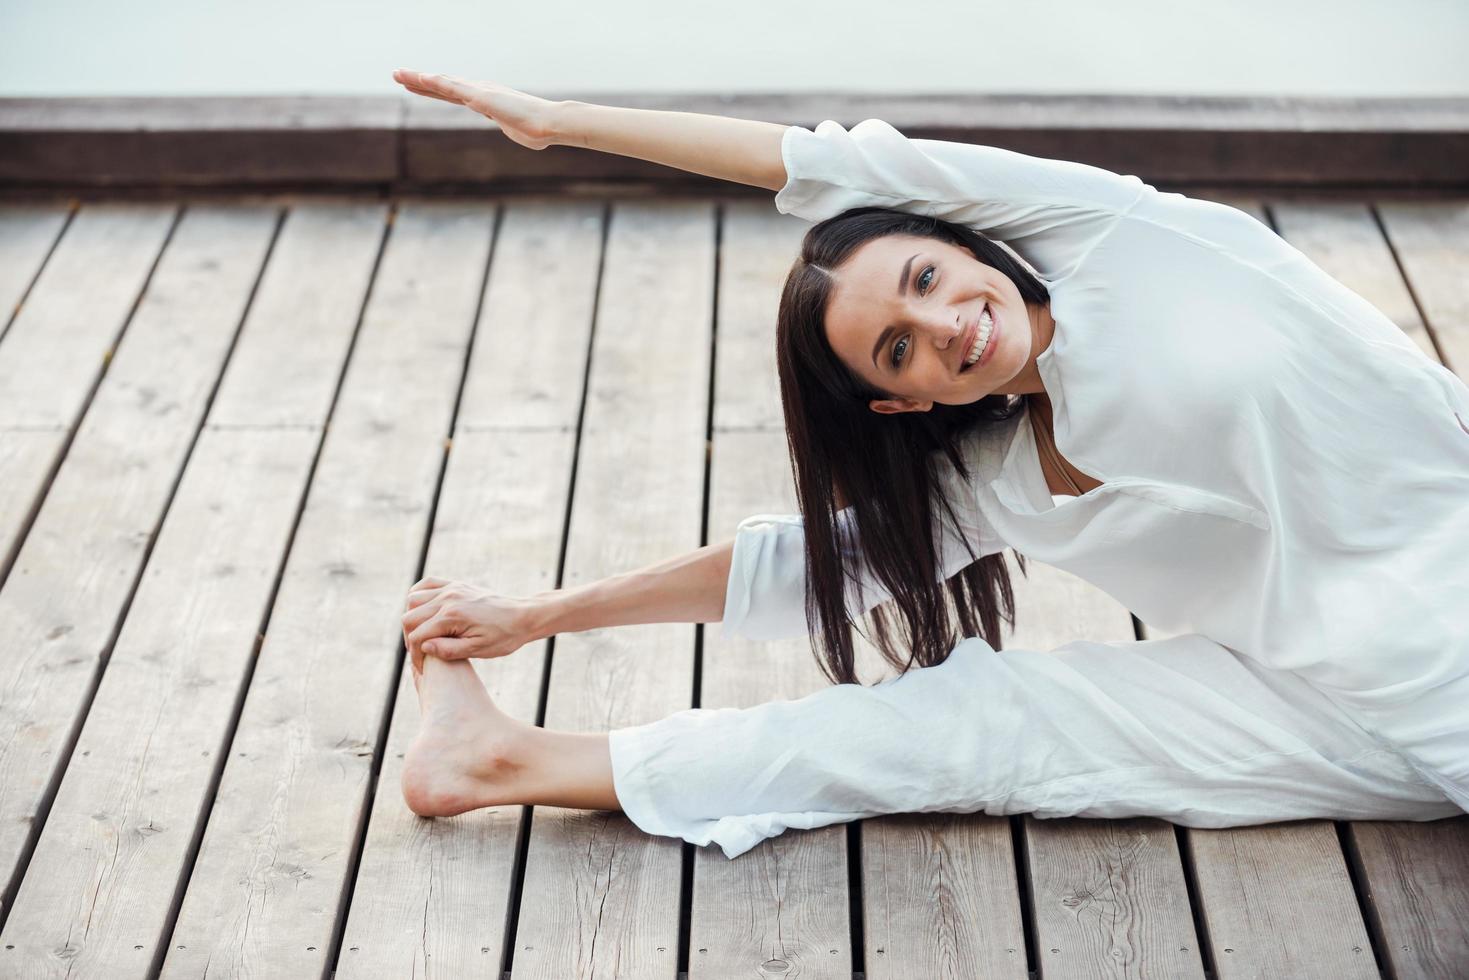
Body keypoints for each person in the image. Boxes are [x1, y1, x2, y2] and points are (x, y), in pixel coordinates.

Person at [390, 69, 1469, 859]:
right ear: (902, 398)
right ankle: (502, 759)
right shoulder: (997, 474)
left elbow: (817, 160)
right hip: (1333, 702)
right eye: (896, 346)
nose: (944, 323)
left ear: (970, 244)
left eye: (926, 276)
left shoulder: (1123, 238)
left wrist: (560, 122)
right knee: (980, 718)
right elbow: (801, 566)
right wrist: (539, 614)